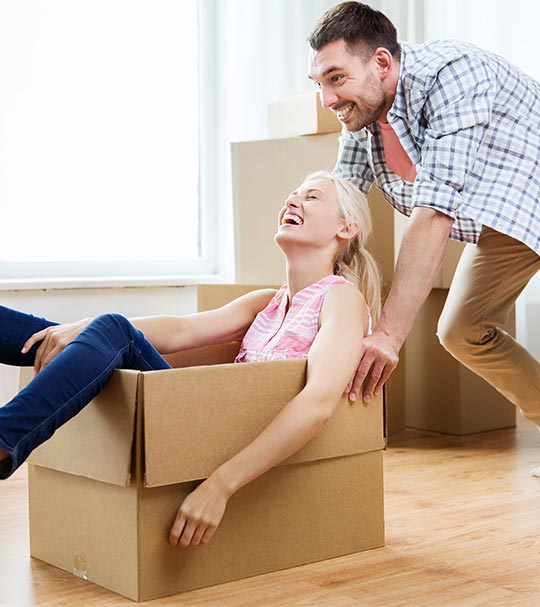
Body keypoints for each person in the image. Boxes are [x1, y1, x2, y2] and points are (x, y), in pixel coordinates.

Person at [0, 171, 381, 547]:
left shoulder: (341, 299)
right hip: (204, 417)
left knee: (110, 330)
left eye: (311, 196)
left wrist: (219, 485)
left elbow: (318, 402)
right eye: (293, 192)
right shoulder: (268, 301)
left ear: (345, 229)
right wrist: (83, 327)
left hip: (218, 436)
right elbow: (181, 331)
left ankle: (4, 437)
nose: (292, 200)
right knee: (95, 333)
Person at [307, 2, 540, 471]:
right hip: (514, 217)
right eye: (319, 84)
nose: (327, 99)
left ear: (381, 63)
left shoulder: (454, 74)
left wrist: (388, 334)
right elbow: (341, 203)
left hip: (525, 197)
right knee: (463, 331)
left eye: (335, 78)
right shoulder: (363, 113)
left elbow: (435, 211)